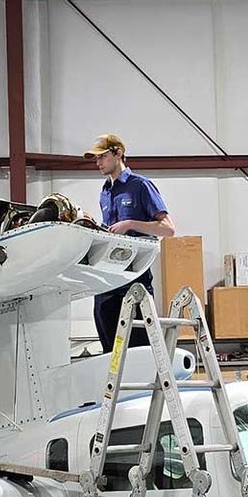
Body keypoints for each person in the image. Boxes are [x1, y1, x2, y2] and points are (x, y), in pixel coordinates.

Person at [84, 133, 174, 352]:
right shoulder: (105, 192)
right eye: (96, 158)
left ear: (118, 153)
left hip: (135, 279)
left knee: (138, 351)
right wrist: (93, 226)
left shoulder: (140, 186)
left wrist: (131, 223)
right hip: (107, 280)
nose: (98, 163)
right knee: (110, 350)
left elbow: (168, 228)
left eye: (102, 156)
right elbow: (112, 232)